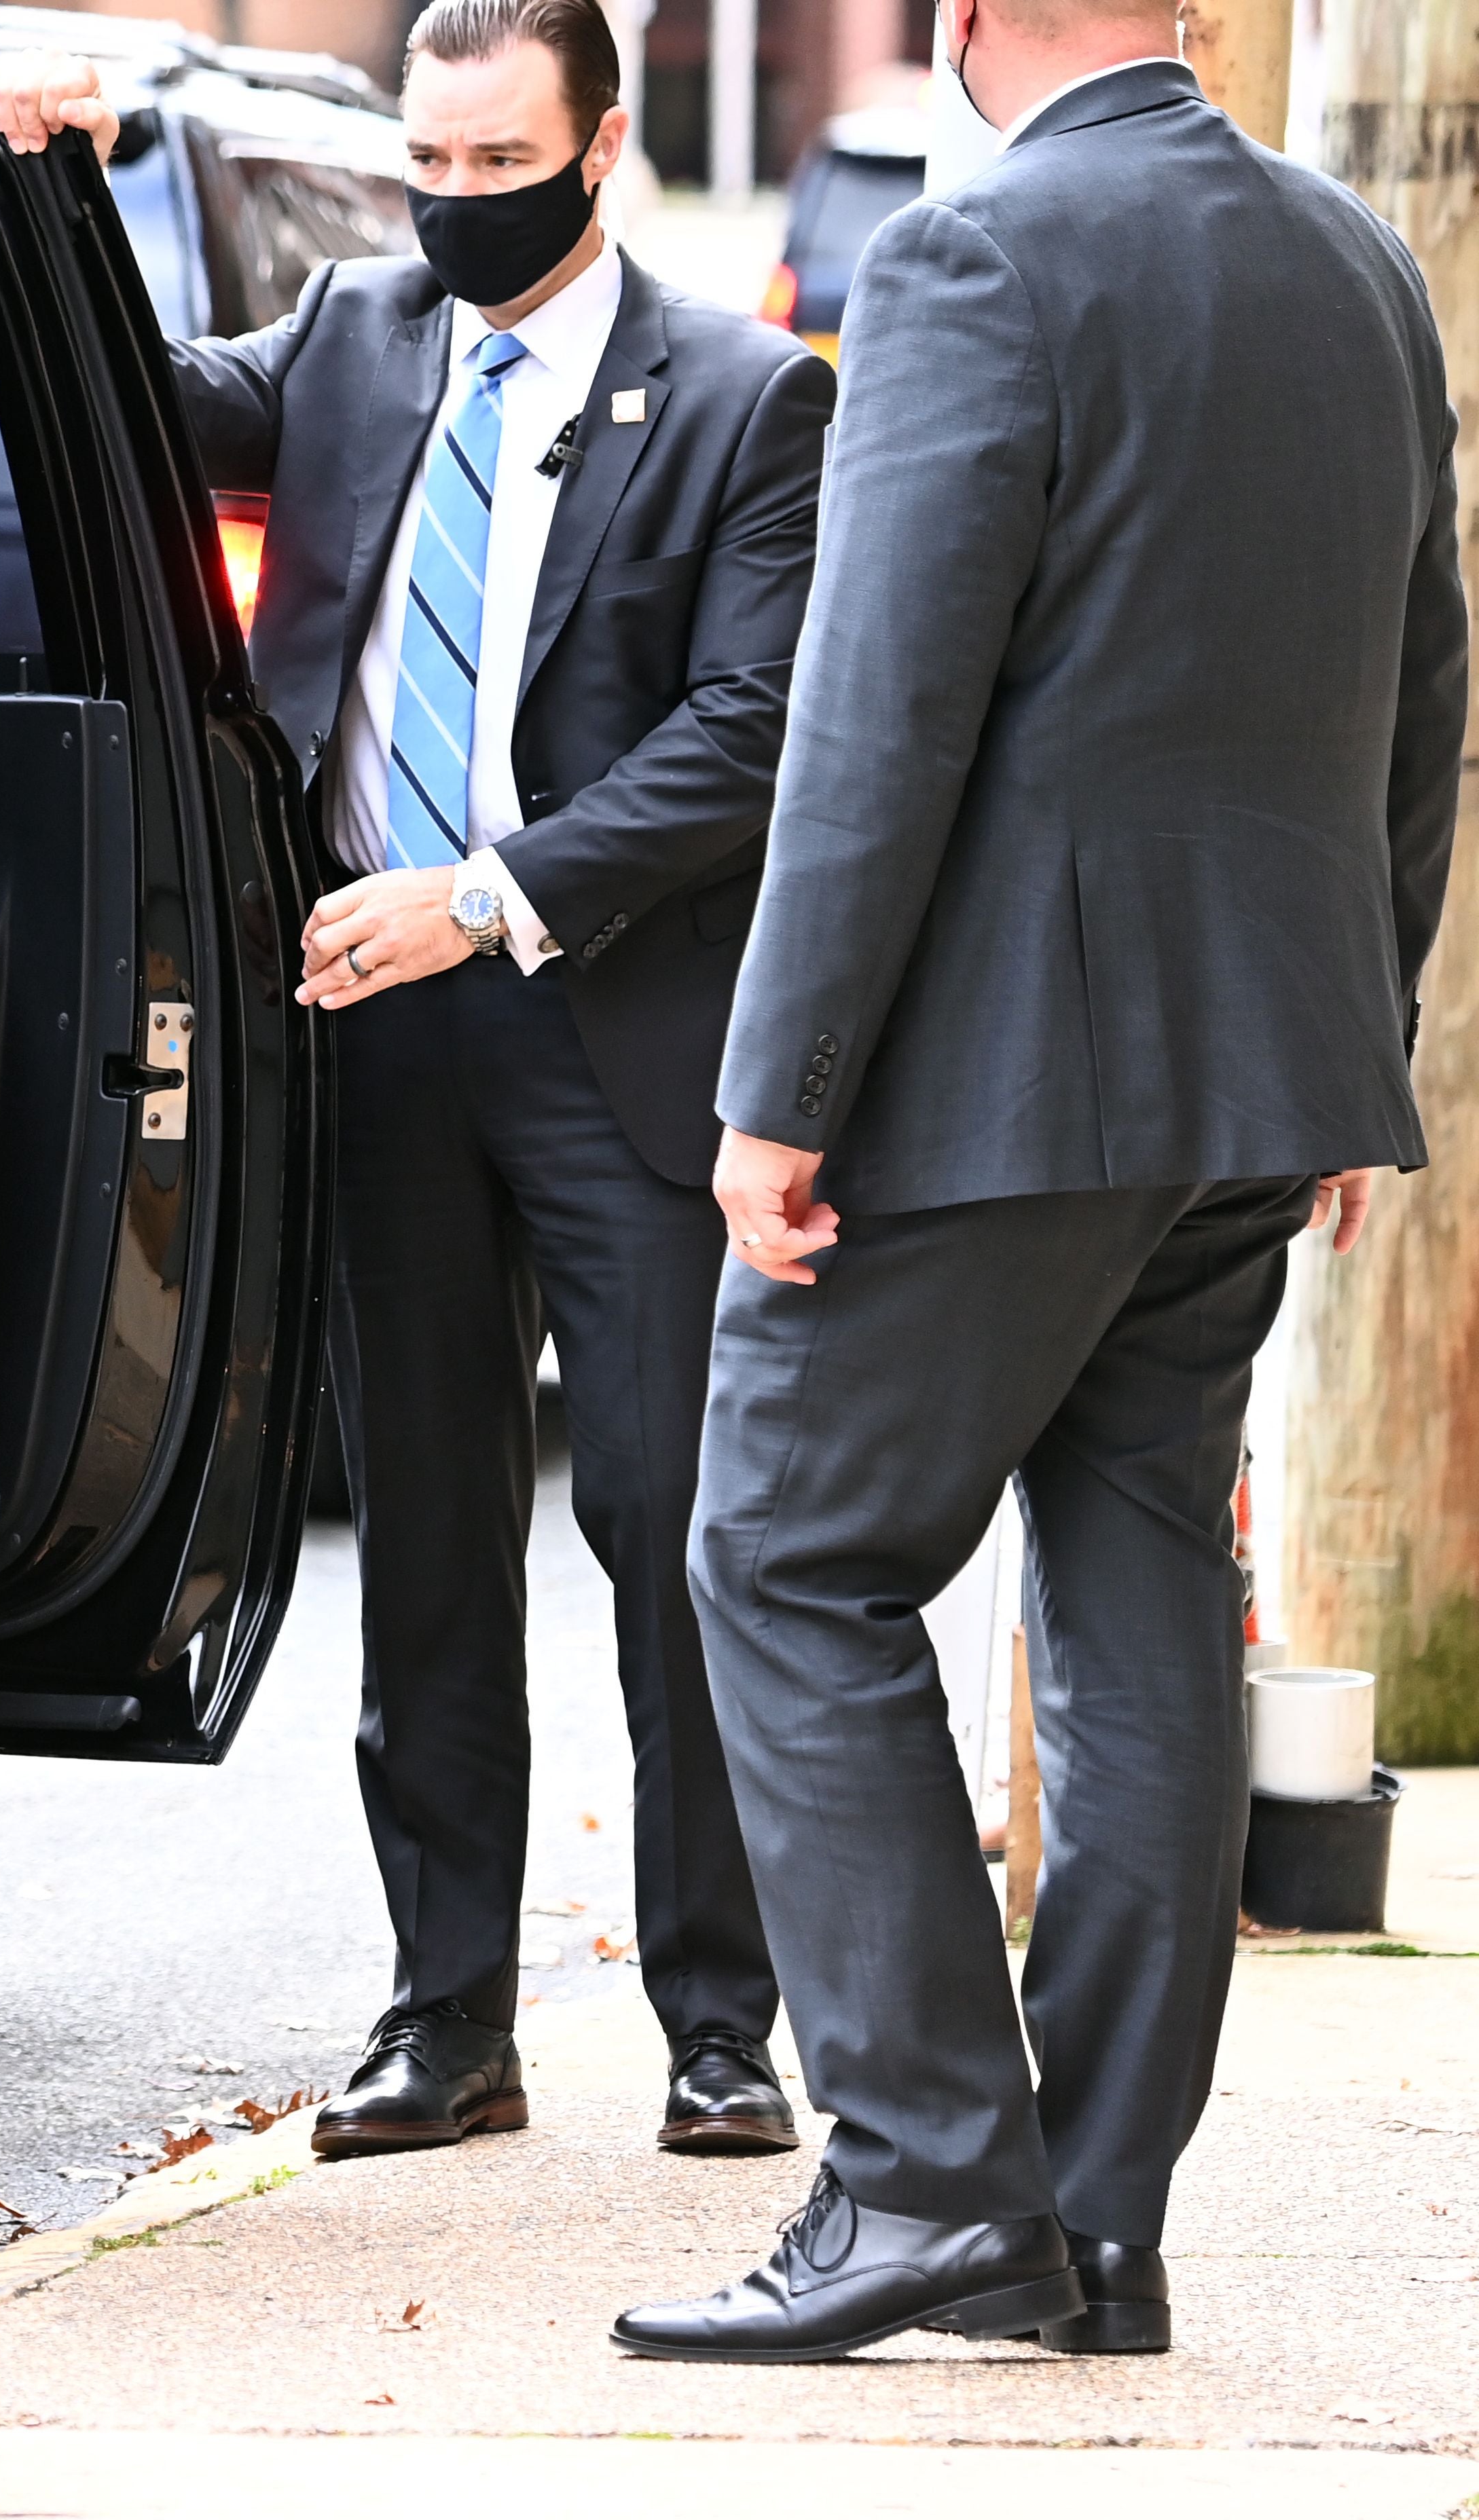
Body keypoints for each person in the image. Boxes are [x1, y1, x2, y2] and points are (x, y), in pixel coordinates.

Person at [613, 0, 1464, 2362]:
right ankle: (1087, 2220)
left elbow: (874, 707)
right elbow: (1421, 680)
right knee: (1130, 1609)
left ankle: (914, 2191)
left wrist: (773, 1089)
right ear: (1180, 17)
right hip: (1239, 1081)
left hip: (989, 1080)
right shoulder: (1352, 266)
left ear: (970, 27)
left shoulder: (965, 260)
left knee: (779, 1555)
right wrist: (1342, 1043)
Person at [0, 0, 830, 2166]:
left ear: (601, 146)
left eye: (496, 164)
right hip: (364, 1033)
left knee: (665, 1533)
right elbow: (137, 414)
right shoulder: (356, 332)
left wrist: (485, 897)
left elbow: (742, 733)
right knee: (432, 1546)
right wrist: (55, 185)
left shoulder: (745, 398)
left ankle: (720, 2027)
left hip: (607, 1029)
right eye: (430, 166)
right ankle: (443, 2012)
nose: (457, 204)